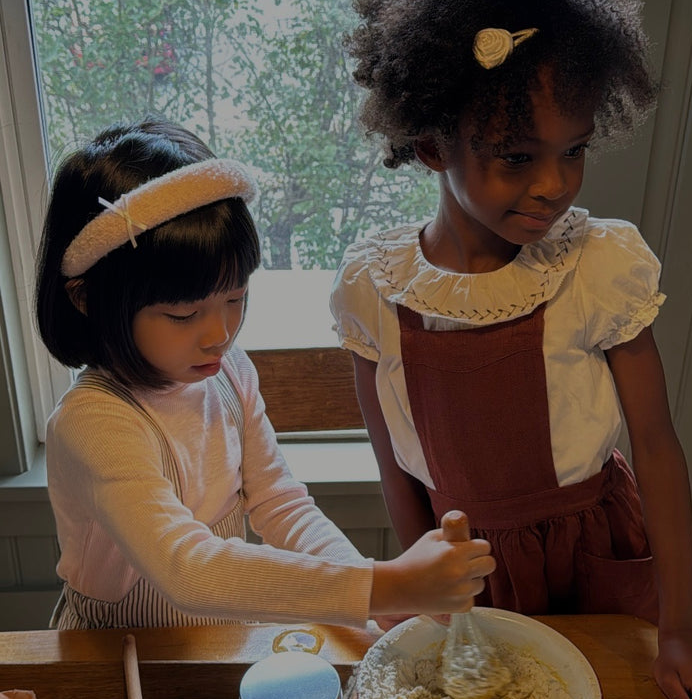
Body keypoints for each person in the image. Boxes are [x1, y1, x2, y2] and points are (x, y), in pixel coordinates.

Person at [330, 0, 692, 699]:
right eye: (516, 157)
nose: (556, 184)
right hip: (468, 571)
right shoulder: (374, 291)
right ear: (433, 145)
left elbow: (654, 445)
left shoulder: (598, 267)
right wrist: (415, 597)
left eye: (573, 150)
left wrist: (685, 630)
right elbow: (396, 467)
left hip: (595, 561)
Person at [35, 117, 495, 630]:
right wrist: (386, 585)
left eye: (236, 298)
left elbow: (281, 505)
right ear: (87, 299)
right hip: (113, 658)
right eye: (183, 315)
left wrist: (378, 609)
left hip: (222, 642)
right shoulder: (94, 422)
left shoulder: (228, 373)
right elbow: (188, 571)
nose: (219, 333)